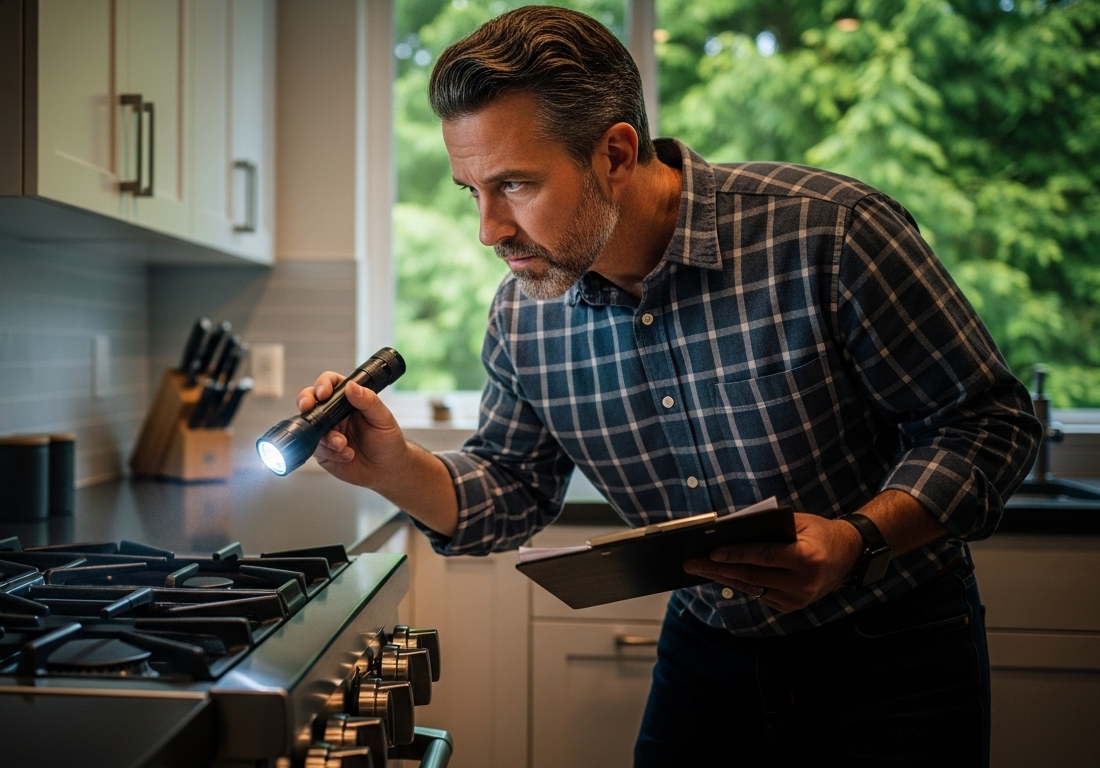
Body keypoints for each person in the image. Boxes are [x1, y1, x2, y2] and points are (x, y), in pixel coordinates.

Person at [296, 6, 1040, 766]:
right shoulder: (525, 316)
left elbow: (987, 422)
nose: (489, 230)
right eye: (471, 191)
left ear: (616, 152)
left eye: (515, 184)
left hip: (896, 645)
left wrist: (855, 540)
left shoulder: (828, 233)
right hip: (707, 647)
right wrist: (389, 468)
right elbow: (510, 489)